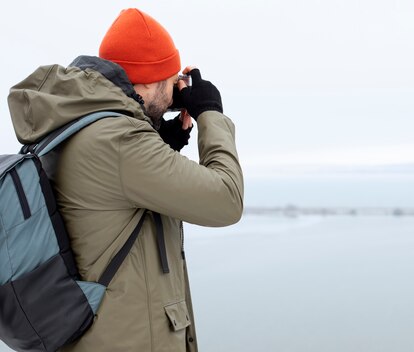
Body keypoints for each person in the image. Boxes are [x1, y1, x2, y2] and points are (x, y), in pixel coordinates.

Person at [7, 8, 243, 352]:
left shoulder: (80, 120)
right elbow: (226, 199)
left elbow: (113, 201)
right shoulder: (121, 140)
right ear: (146, 81)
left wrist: (159, 138)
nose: (176, 89)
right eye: (169, 79)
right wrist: (211, 114)